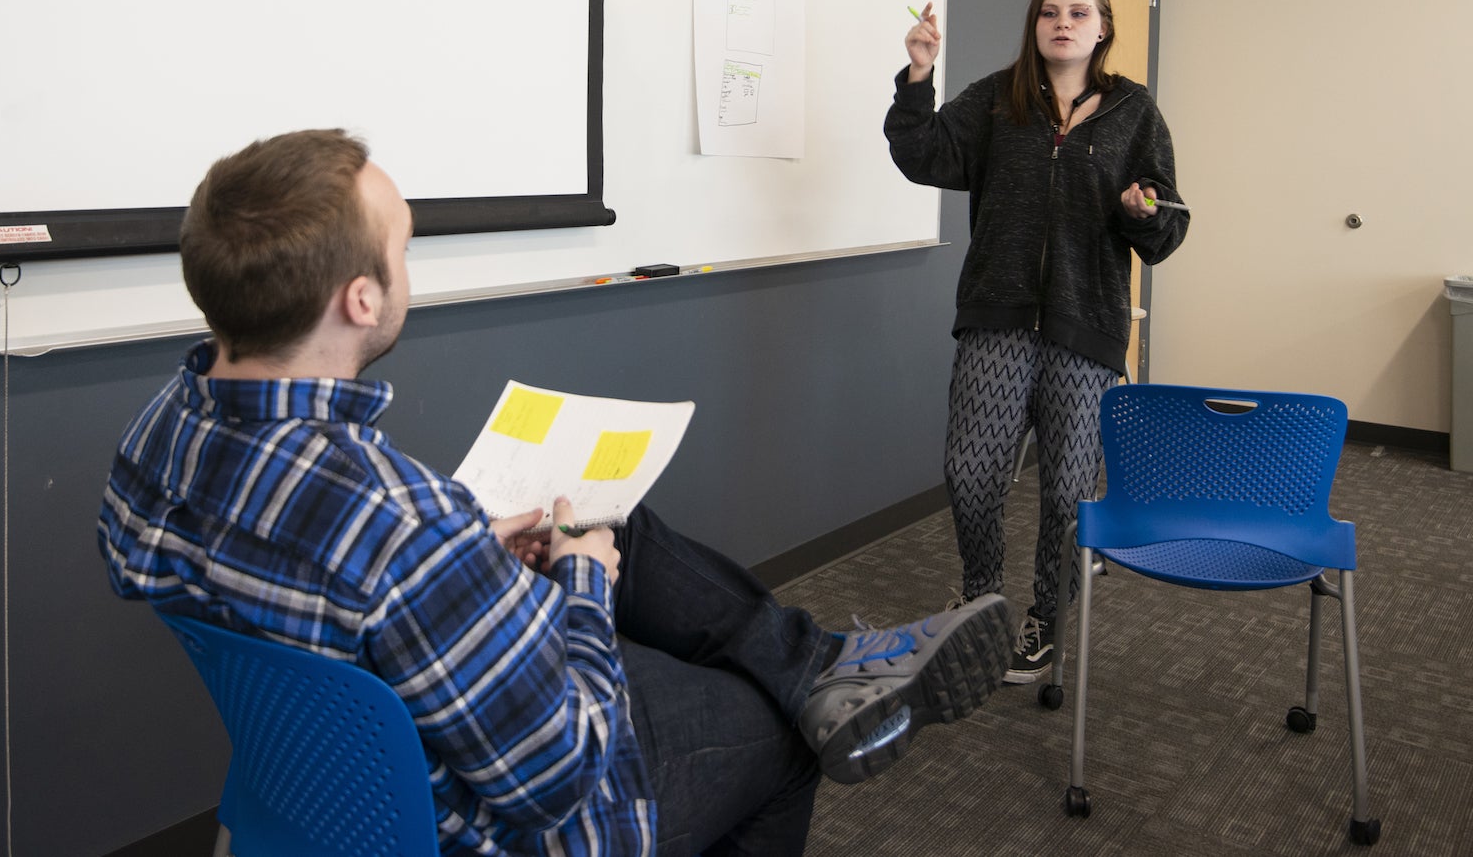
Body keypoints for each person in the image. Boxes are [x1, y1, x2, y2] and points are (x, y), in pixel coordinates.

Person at [98, 129, 1014, 856]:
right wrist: (579, 579)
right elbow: (556, 776)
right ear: (361, 300)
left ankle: (822, 662)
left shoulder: (156, 441)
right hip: (487, 818)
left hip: (311, 784)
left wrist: (480, 554)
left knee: (618, 521)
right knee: (776, 734)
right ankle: (811, 683)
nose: (410, 269)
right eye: (404, 248)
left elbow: (300, 575)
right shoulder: (403, 528)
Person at [883, 0, 1189, 684]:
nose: (1062, 22)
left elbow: (1167, 225)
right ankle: (982, 595)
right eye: (1049, 12)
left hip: (1086, 327)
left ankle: (1047, 619)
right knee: (972, 472)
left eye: (1078, 12)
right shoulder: (996, 100)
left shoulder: (1133, 112)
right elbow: (921, 152)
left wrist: (1144, 210)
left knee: (1068, 489)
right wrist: (918, 75)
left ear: (1102, 26)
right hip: (998, 316)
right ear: (1035, 23)